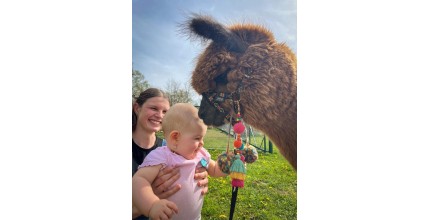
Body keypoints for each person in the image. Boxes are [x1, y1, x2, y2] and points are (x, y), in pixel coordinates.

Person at [132, 103, 227, 220]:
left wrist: (230, 165)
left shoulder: (200, 153)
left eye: (202, 138)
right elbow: (139, 180)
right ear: (175, 138)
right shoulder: (162, 156)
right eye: (197, 138)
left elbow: (215, 170)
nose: (202, 143)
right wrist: (152, 204)